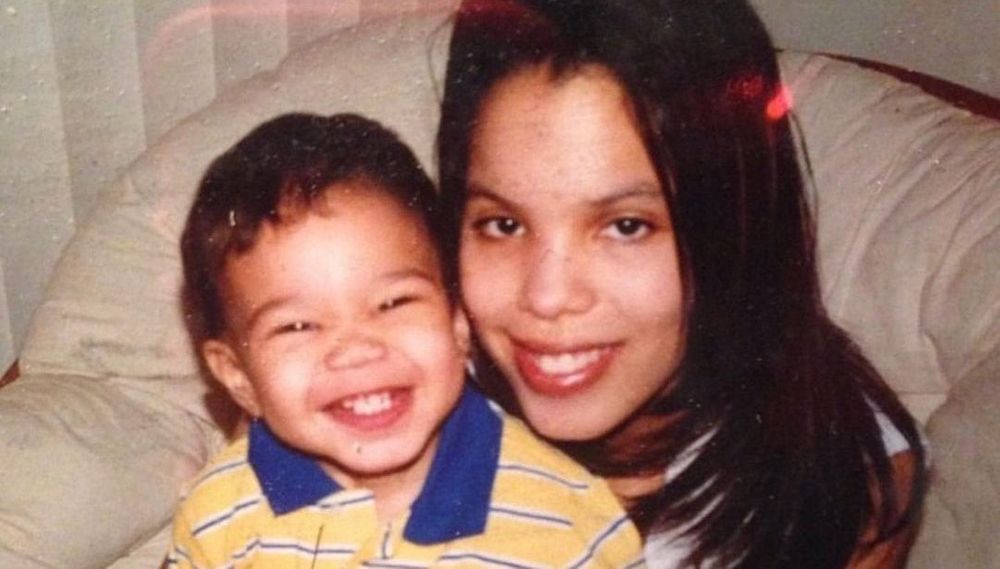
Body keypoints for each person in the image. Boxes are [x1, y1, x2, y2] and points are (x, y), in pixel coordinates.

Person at [437, 1, 927, 567]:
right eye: (504, 224)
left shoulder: (844, 485)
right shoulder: (392, 397)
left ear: (736, 227)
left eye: (626, 227)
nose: (546, 297)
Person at [168, 112, 644, 568]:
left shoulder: (564, 522)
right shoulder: (220, 512)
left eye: (394, 303)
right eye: (297, 326)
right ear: (238, 378)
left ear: (458, 320)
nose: (357, 349)